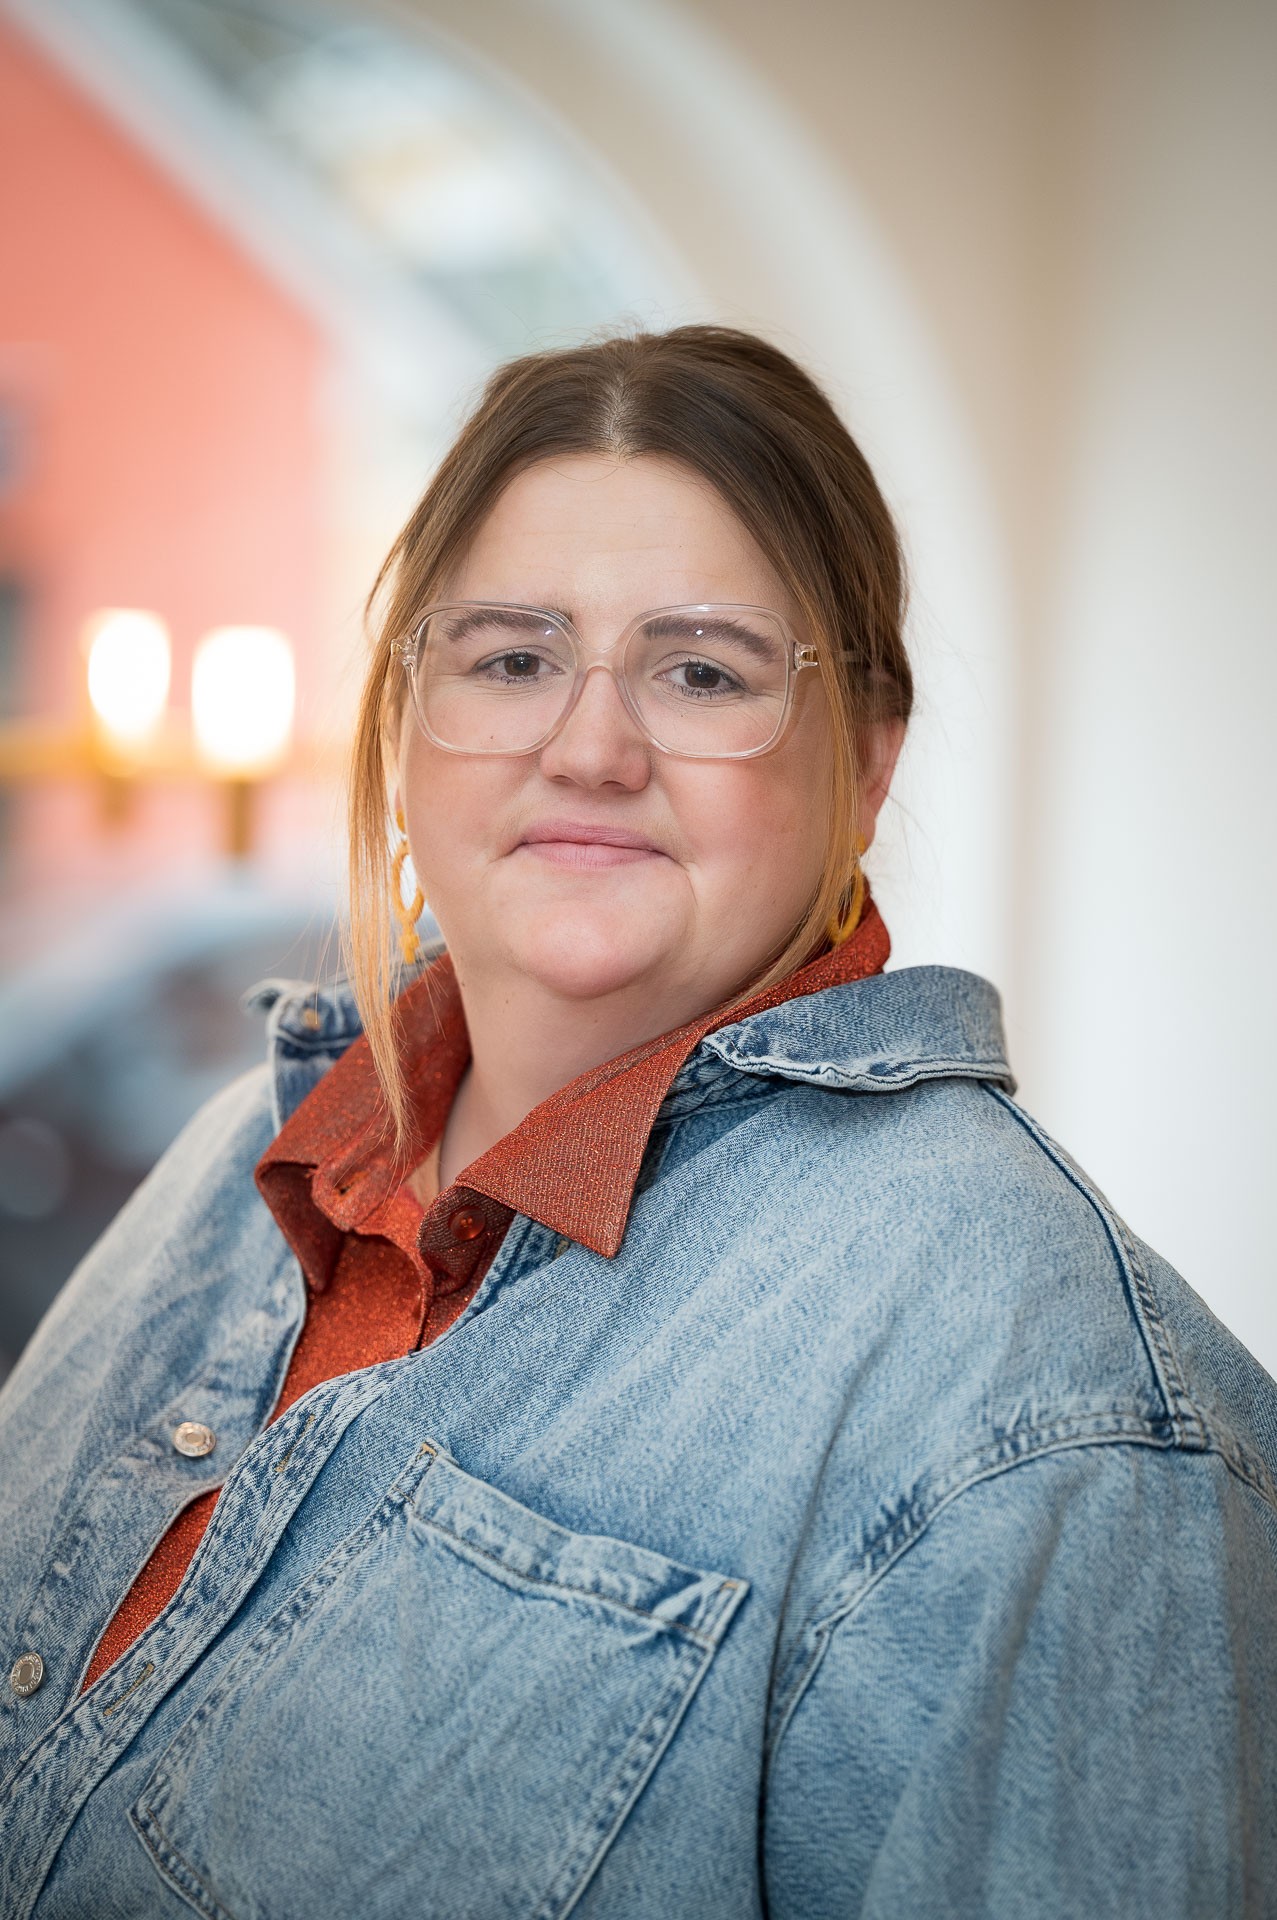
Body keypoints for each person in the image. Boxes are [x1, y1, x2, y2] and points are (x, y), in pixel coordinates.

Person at [0, 326, 1273, 1920]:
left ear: (866, 765)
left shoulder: (1053, 1420)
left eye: (702, 672)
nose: (589, 750)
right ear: (404, 721)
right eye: (510, 658)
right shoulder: (237, 1161)